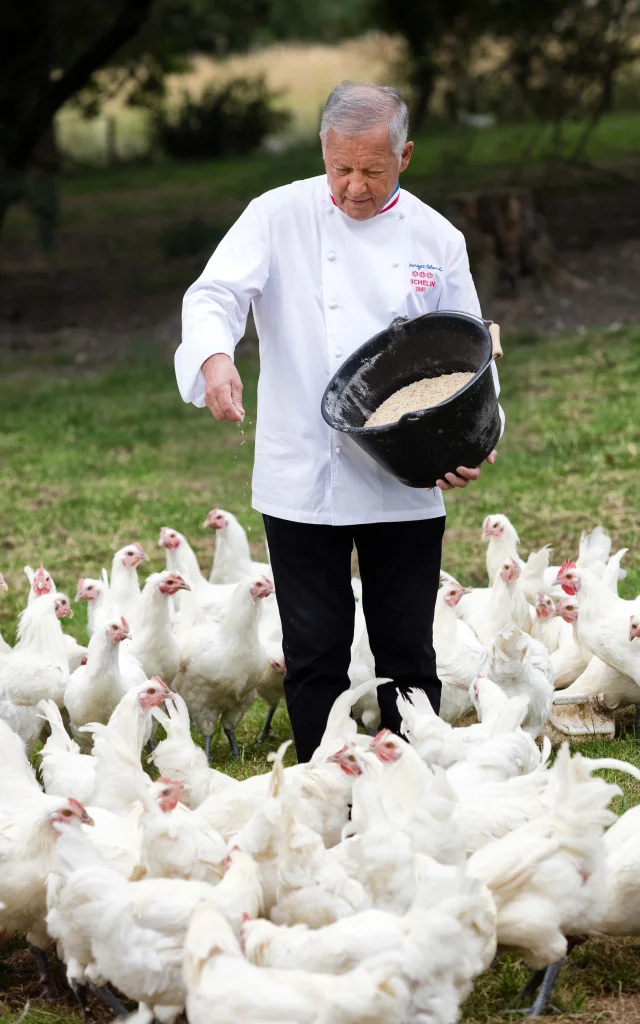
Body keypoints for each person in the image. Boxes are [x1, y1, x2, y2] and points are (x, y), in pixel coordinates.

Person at [175, 82, 503, 763]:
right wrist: (214, 361)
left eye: (372, 171)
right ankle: (326, 786)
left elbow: (471, 350)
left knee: (407, 646)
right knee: (315, 647)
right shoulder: (276, 216)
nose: (354, 186)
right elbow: (215, 293)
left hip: (407, 471)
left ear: (405, 156)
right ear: (323, 151)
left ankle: (413, 778)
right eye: (341, 168)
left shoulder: (436, 238)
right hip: (304, 464)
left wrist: (472, 439)